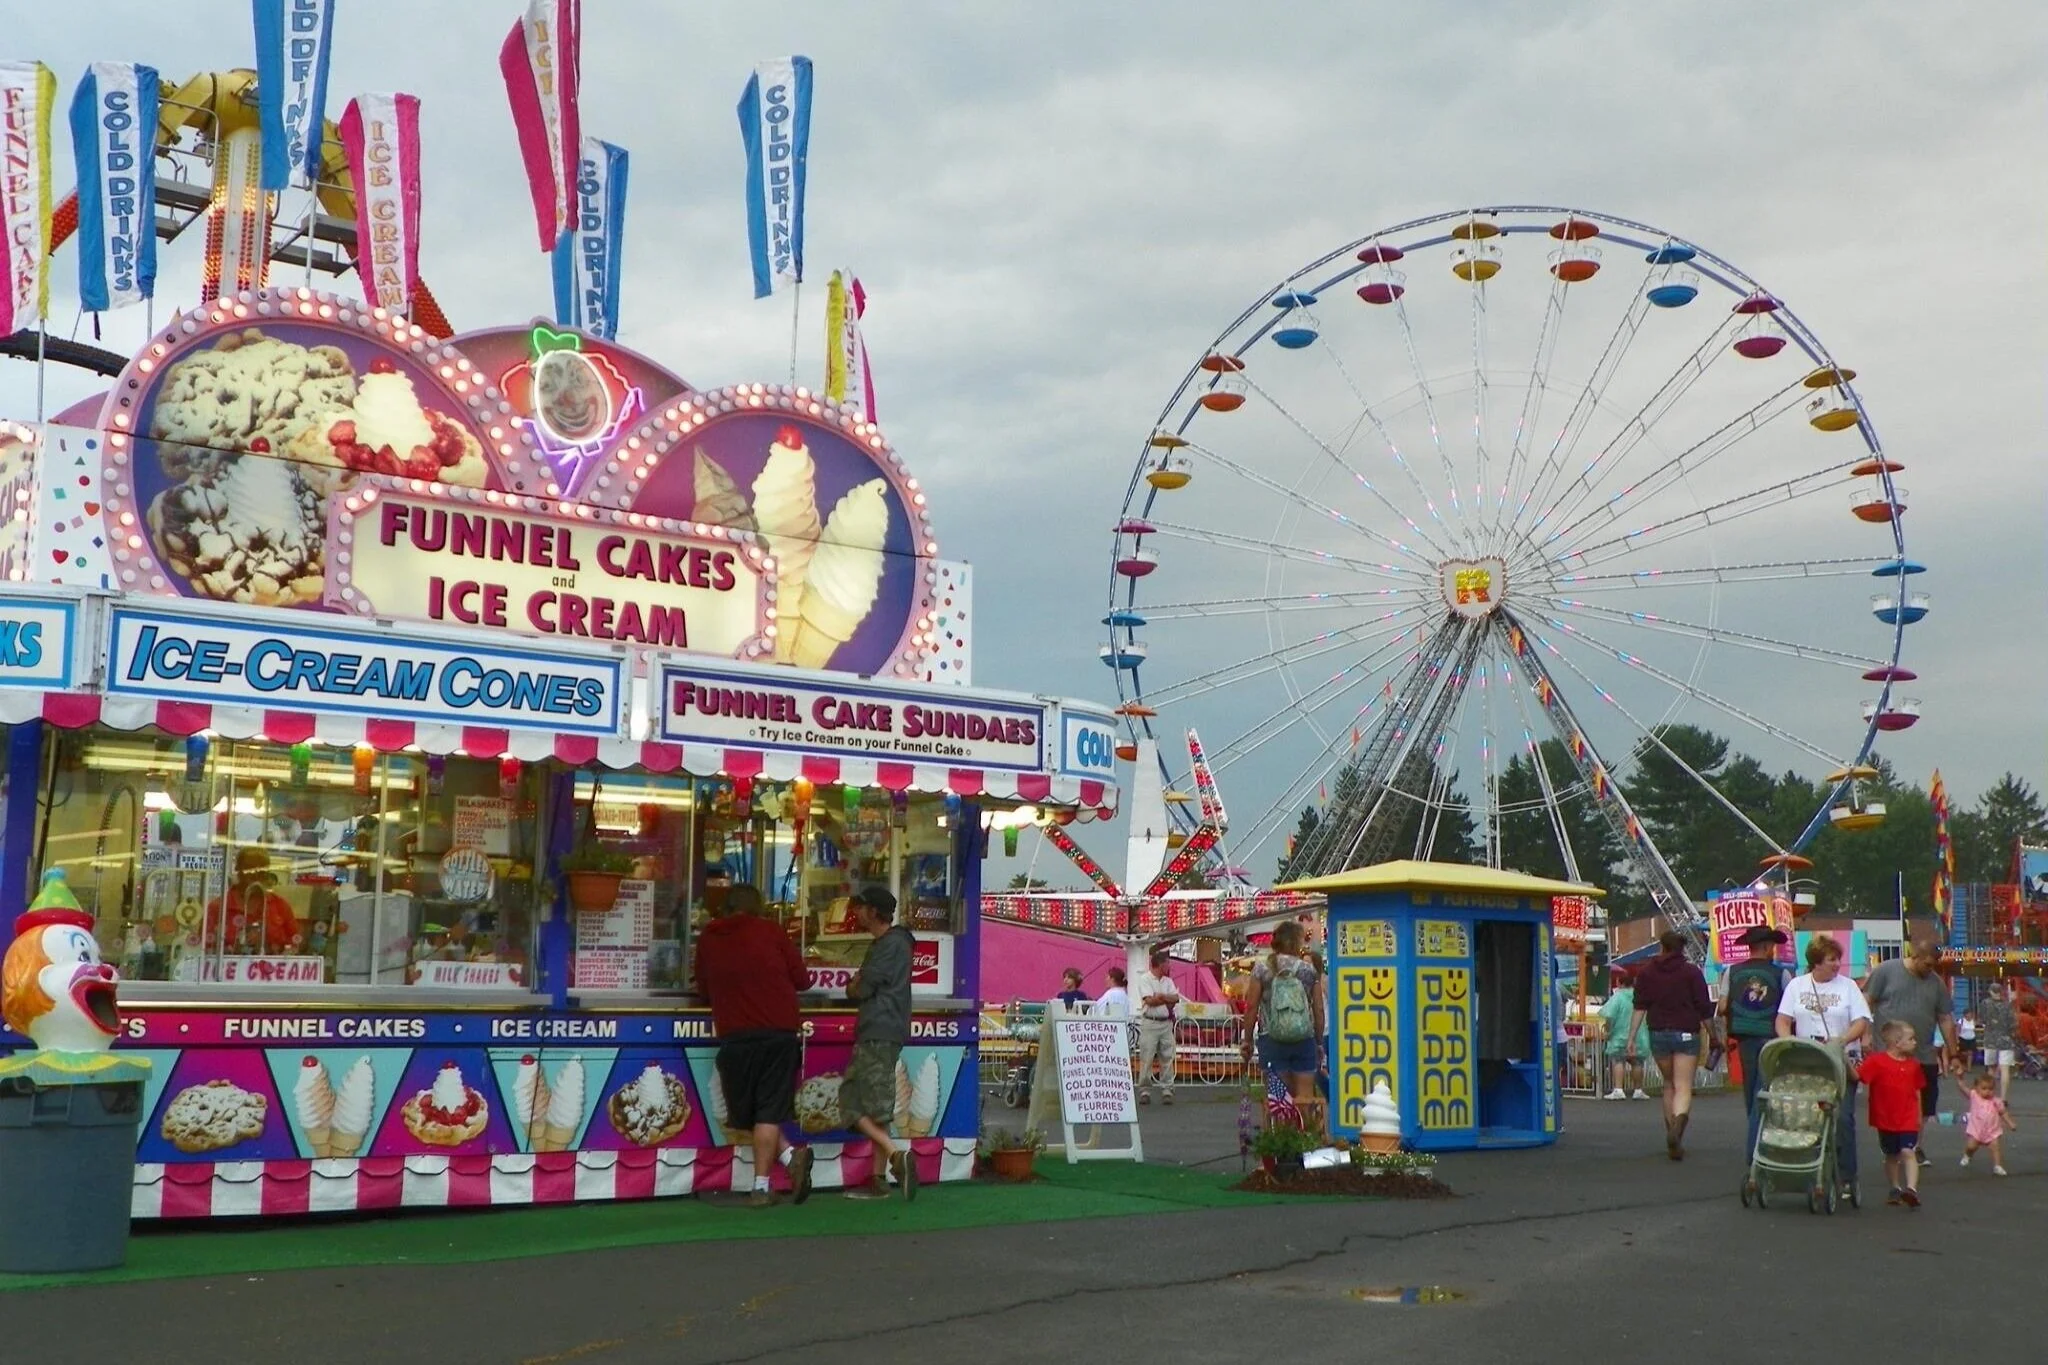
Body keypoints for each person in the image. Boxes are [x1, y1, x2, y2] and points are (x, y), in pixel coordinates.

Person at [692, 883, 814, 1207]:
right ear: (758, 906)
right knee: (768, 1114)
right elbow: (803, 980)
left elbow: (702, 990)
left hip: (734, 1036)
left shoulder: (708, 938)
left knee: (746, 1115)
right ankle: (773, 1175)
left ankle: (778, 1170)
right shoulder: (771, 932)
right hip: (778, 1032)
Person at [1776, 934, 1872, 1200]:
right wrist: (1787, 1042)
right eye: (1831, 959)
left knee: (1842, 1118)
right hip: (1808, 1059)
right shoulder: (1797, 985)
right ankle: (1808, 1170)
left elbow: (1861, 1020)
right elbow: (1783, 1019)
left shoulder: (1848, 987)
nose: (1837, 964)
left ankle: (1846, 1175)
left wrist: (1842, 1040)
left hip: (1841, 1059)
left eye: (1838, 959)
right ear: (1816, 962)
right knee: (1807, 1118)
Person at [840, 885, 917, 1201]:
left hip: (877, 1028)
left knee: (850, 1100)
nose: (857, 913)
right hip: (888, 1028)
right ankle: (878, 1178)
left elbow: (861, 988)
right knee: (877, 1108)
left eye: (862, 908)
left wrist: (856, 982)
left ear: (875, 913)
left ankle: (896, 1155)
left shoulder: (888, 946)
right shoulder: (898, 943)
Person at [1863, 943, 1957, 1165]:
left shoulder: (1936, 984)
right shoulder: (1886, 971)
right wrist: (1865, 1034)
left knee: (1924, 1104)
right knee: (1889, 1103)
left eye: (1934, 965)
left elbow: (1945, 1018)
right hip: (1888, 1055)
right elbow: (1866, 1001)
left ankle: (1914, 1146)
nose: (1930, 968)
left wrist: (1954, 1054)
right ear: (1915, 955)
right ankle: (1893, 1146)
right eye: (1927, 963)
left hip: (1923, 1054)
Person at [1629, 930, 1715, 1160]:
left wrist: (1631, 1038)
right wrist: (1714, 1035)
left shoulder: (1647, 973)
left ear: (1661, 947)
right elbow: (1704, 1008)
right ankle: (1678, 1129)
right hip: (1687, 1032)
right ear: (1682, 948)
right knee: (1683, 1086)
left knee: (1668, 1084)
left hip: (1658, 1033)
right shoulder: (1691, 973)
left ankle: (1670, 1131)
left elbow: (1639, 1006)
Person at [1721, 925, 1791, 1153]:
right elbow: (1789, 1008)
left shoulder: (1731, 972)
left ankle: (1754, 1129)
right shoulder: (1781, 974)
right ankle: (1764, 1134)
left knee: (1750, 1085)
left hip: (1744, 1035)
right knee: (1769, 1085)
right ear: (1768, 946)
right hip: (1772, 1035)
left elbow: (1722, 1006)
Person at [1239, 920, 1325, 1106]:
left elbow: (1251, 1006)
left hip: (1271, 1039)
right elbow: (1318, 1009)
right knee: (1304, 1097)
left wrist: (1247, 1040)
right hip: (1303, 1038)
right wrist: (1318, 1041)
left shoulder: (1262, 969)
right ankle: (1303, 1132)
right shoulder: (1308, 970)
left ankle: (1279, 1132)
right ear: (1297, 942)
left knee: (1277, 1099)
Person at [1859, 1020, 1927, 1207]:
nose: (1915, 1042)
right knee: (1891, 1155)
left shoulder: (1914, 1065)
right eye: (1911, 1039)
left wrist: (1919, 1115)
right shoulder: (1877, 1061)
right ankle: (1895, 1187)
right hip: (1885, 1117)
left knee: (1908, 1151)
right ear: (1897, 1042)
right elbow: (1859, 1076)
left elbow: (1917, 1090)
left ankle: (1911, 1189)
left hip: (1907, 1116)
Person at [205, 847, 302, 955]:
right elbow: (204, 948)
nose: (255, 874)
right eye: (249, 868)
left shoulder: (280, 906)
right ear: (238, 869)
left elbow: (295, 943)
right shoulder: (218, 907)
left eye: (261, 870)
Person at [1132, 946, 1182, 1105]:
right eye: (1167, 964)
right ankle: (1145, 1090)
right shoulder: (1145, 979)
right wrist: (1165, 998)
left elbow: (1175, 998)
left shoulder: (1168, 981)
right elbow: (1150, 1001)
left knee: (1167, 1056)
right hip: (1150, 1021)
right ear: (1160, 965)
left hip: (1164, 1022)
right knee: (1147, 1056)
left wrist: (1160, 997)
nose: (1169, 967)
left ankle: (1167, 1088)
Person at [1598, 968, 1648, 1100]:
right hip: (1639, 1034)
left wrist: (1608, 1031)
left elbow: (1609, 1015)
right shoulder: (1639, 995)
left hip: (1619, 1034)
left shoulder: (1618, 997)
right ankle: (1638, 1090)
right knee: (1637, 1062)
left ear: (1619, 982)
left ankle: (1619, 1089)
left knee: (1618, 1060)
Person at [1959, 1069, 2017, 1175]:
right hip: (1977, 1129)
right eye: (1984, 1088)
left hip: (1992, 1130)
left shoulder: (1996, 1101)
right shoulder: (1974, 1096)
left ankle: (1997, 1166)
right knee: (1972, 1146)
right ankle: (1967, 1155)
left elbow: (2003, 1112)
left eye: (1990, 1089)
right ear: (1976, 1088)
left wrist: (2010, 1123)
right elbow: (1963, 1089)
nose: (1988, 1091)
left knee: (1995, 1147)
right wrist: (1960, 1078)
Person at [1978, 981, 2019, 1100]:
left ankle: (1989, 1096)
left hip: (1990, 1039)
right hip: (2006, 1039)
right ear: (2001, 992)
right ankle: (2003, 1098)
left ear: (1990, 992)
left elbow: (1982, 1019)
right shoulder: (2008, 1005)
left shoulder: (1984, 1003)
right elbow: (2013, 1024)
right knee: (2005, 1069)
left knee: (1990, 1068)